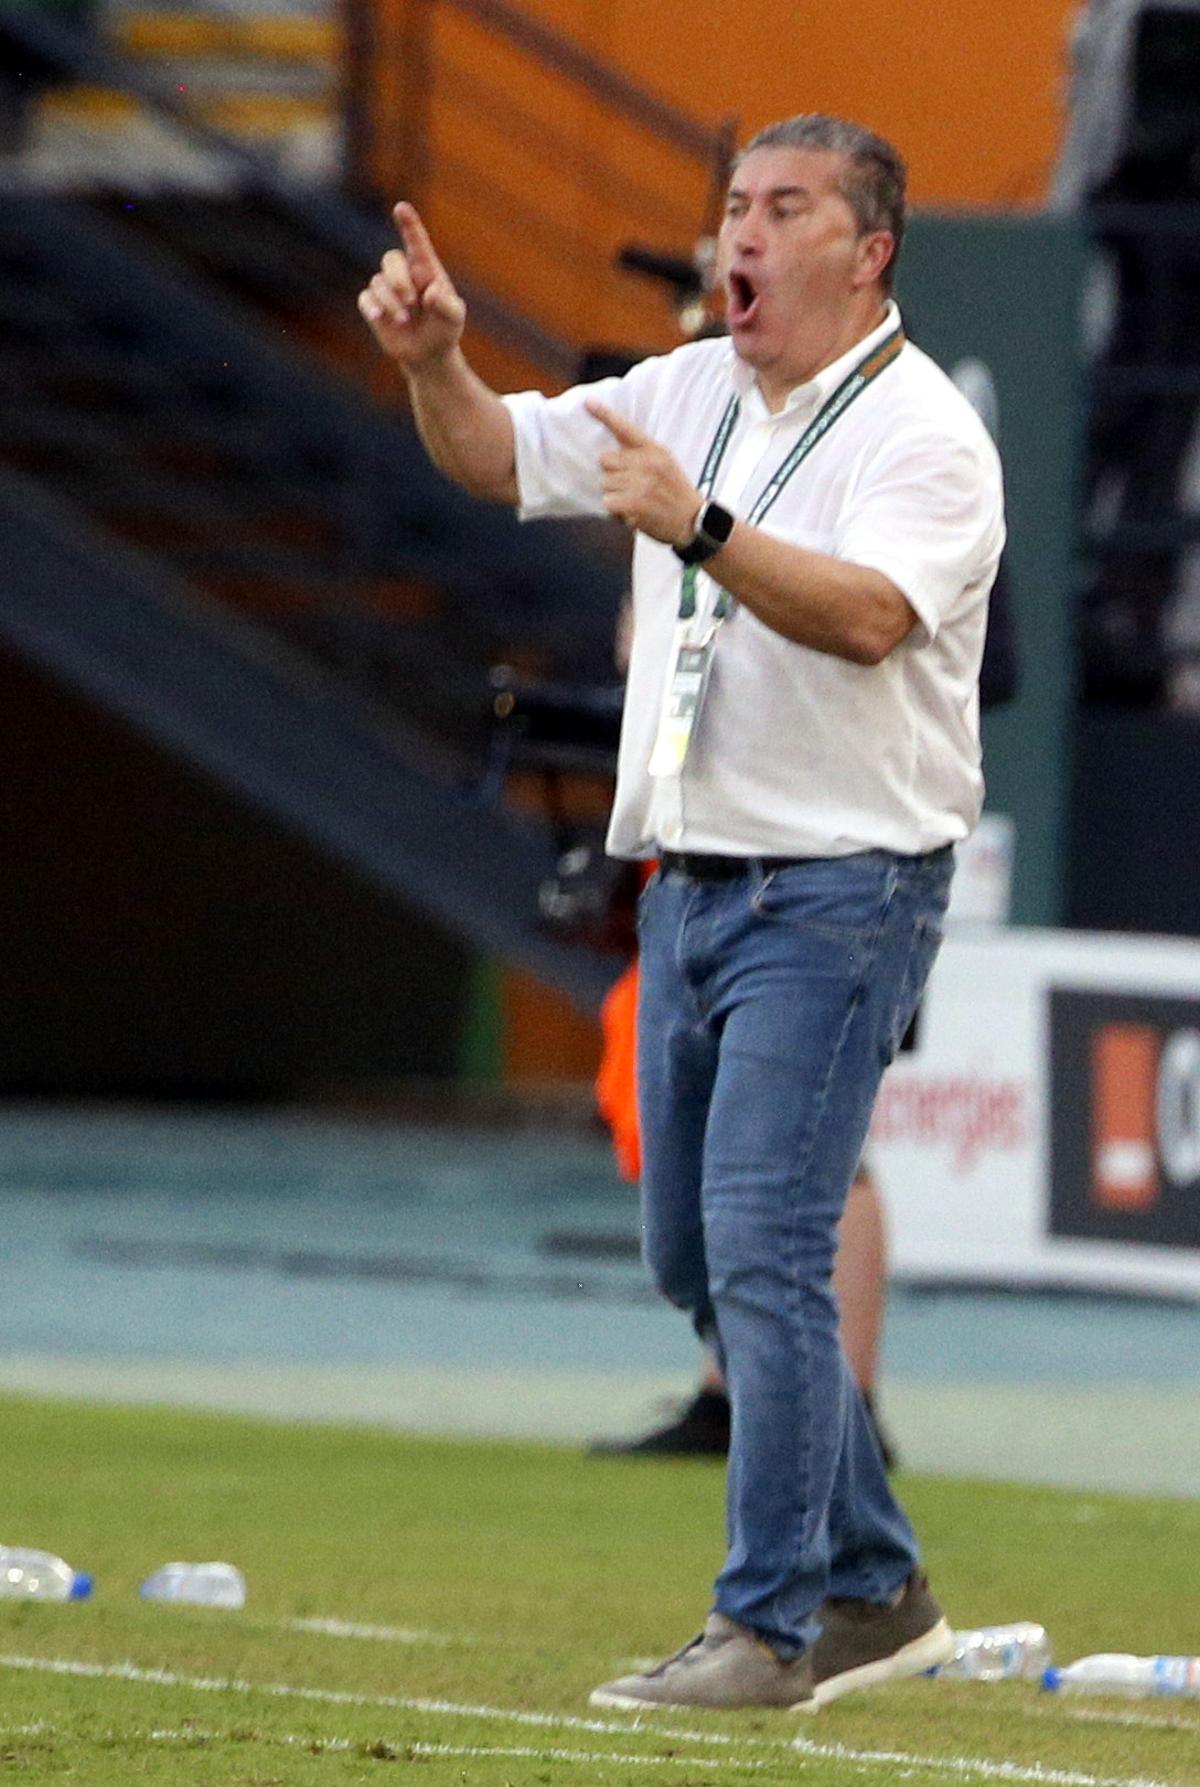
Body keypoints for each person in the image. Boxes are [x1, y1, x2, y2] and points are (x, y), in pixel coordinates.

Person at [360, 111, 1004, 1713]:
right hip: (691, 880)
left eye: (787, 210)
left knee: (769, 1252)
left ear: (871, 255)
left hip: (842, 886)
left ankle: (767, 1628)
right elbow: (501, 453)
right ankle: (875, 1584)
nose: (743, 235)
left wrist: (694, 524)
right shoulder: (686, 392)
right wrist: (438, 363)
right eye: (734, 205)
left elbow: (867, 617)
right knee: (693, 1258)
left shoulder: (926, 432)